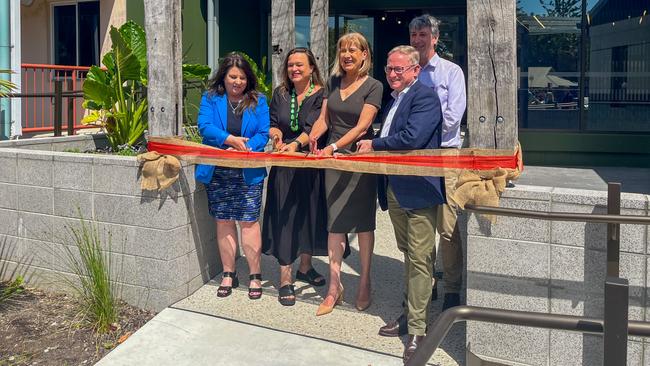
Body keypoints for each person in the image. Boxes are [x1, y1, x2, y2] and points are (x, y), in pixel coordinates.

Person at [357, 45, 445, 364]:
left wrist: (374, 144)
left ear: (415, 70)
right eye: (389, 69)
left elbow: (412, 138)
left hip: (419, 189)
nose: (392, 74)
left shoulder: (425, 96)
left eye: (399, 69)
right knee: (409, 254)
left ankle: (418, 332)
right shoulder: (395, 99)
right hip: (395, 187)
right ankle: (410, 316)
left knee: (421, 259)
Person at [308, 32, 383, 316]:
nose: (347, 55)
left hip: (359, 158)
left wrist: (335, 147)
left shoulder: (374, 86)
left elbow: (363, 127)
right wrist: (314, 141)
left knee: (364, 224)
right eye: (342, 50)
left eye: (353, 50)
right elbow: (323, 119)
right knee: (334, 222)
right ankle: (334, 287)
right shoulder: (333, 82)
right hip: (332, 159)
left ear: (365, 54)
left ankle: (364, 281)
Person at [262, 48, 334, 306]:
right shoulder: (280, 94)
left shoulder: (322, 95)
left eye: (300, 65)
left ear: (312, 68)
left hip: (310, 164)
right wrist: (277, 136)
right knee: (285, 218)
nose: (294, 69)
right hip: (285, 165)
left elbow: (315, 126)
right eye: (291, 65)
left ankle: (305, 267)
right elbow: (272, 122)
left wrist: (296, 145)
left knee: (308, 216)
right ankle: (285, 278)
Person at [195, 52, 269, 300]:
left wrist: (245, 148)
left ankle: (255, 275)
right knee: (224, 221)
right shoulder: (210, 98)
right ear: (224, 77)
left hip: (248, 168)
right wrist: (229, 140)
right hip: (218, 169)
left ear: (248, 79)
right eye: (232, 77)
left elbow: (263, 132)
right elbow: (204, 126)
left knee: (248, 222)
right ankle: (229, 273)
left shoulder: (259, 100)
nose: (237, 82)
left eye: (242, 77)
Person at [409, 14, 467, 310]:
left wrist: (418, 132)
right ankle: (426, 282)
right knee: (420, 224)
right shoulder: (407, 73)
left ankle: (453, 288)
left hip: (444, 154)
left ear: (435, 37)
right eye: (414, 35)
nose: (417, 39)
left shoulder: (451, 72)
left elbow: (454, 117)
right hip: (414, 157)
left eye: (423, 34)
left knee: (447, 226)